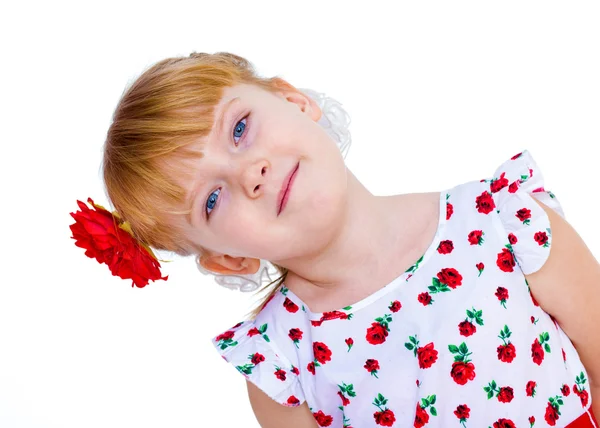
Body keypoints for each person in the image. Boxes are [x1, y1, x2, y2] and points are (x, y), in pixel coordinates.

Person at [71, 51, 600, 427]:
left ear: (296, 102)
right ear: (228, 259)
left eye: (238, 130)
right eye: (211, 200)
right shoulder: (283, 365)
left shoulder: (501, 222)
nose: (248, 173)